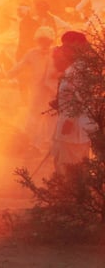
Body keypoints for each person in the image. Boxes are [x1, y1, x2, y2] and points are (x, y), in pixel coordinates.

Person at [2, 26, 58, 153]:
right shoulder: (32, 53)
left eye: (47, 41)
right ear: (37, 41)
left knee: (51, 117)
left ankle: (47, 144)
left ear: (51, 41)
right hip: (37, 90)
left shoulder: (56, 53)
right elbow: (19, 66)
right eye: (42, 40)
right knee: (34, 117)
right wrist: (7, 74)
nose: (44, 43)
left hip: (52, 91)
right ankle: (32, 143)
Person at [50, 31, 94, 172]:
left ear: (78, 47)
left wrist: (69, 119)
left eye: (67, 47)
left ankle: (71, 192)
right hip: (71, 123)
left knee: (71, 166)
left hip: (74, 127)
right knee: (65, 162)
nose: (64, 50)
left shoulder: (80, 69)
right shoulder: (74, 67)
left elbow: (81, 97)